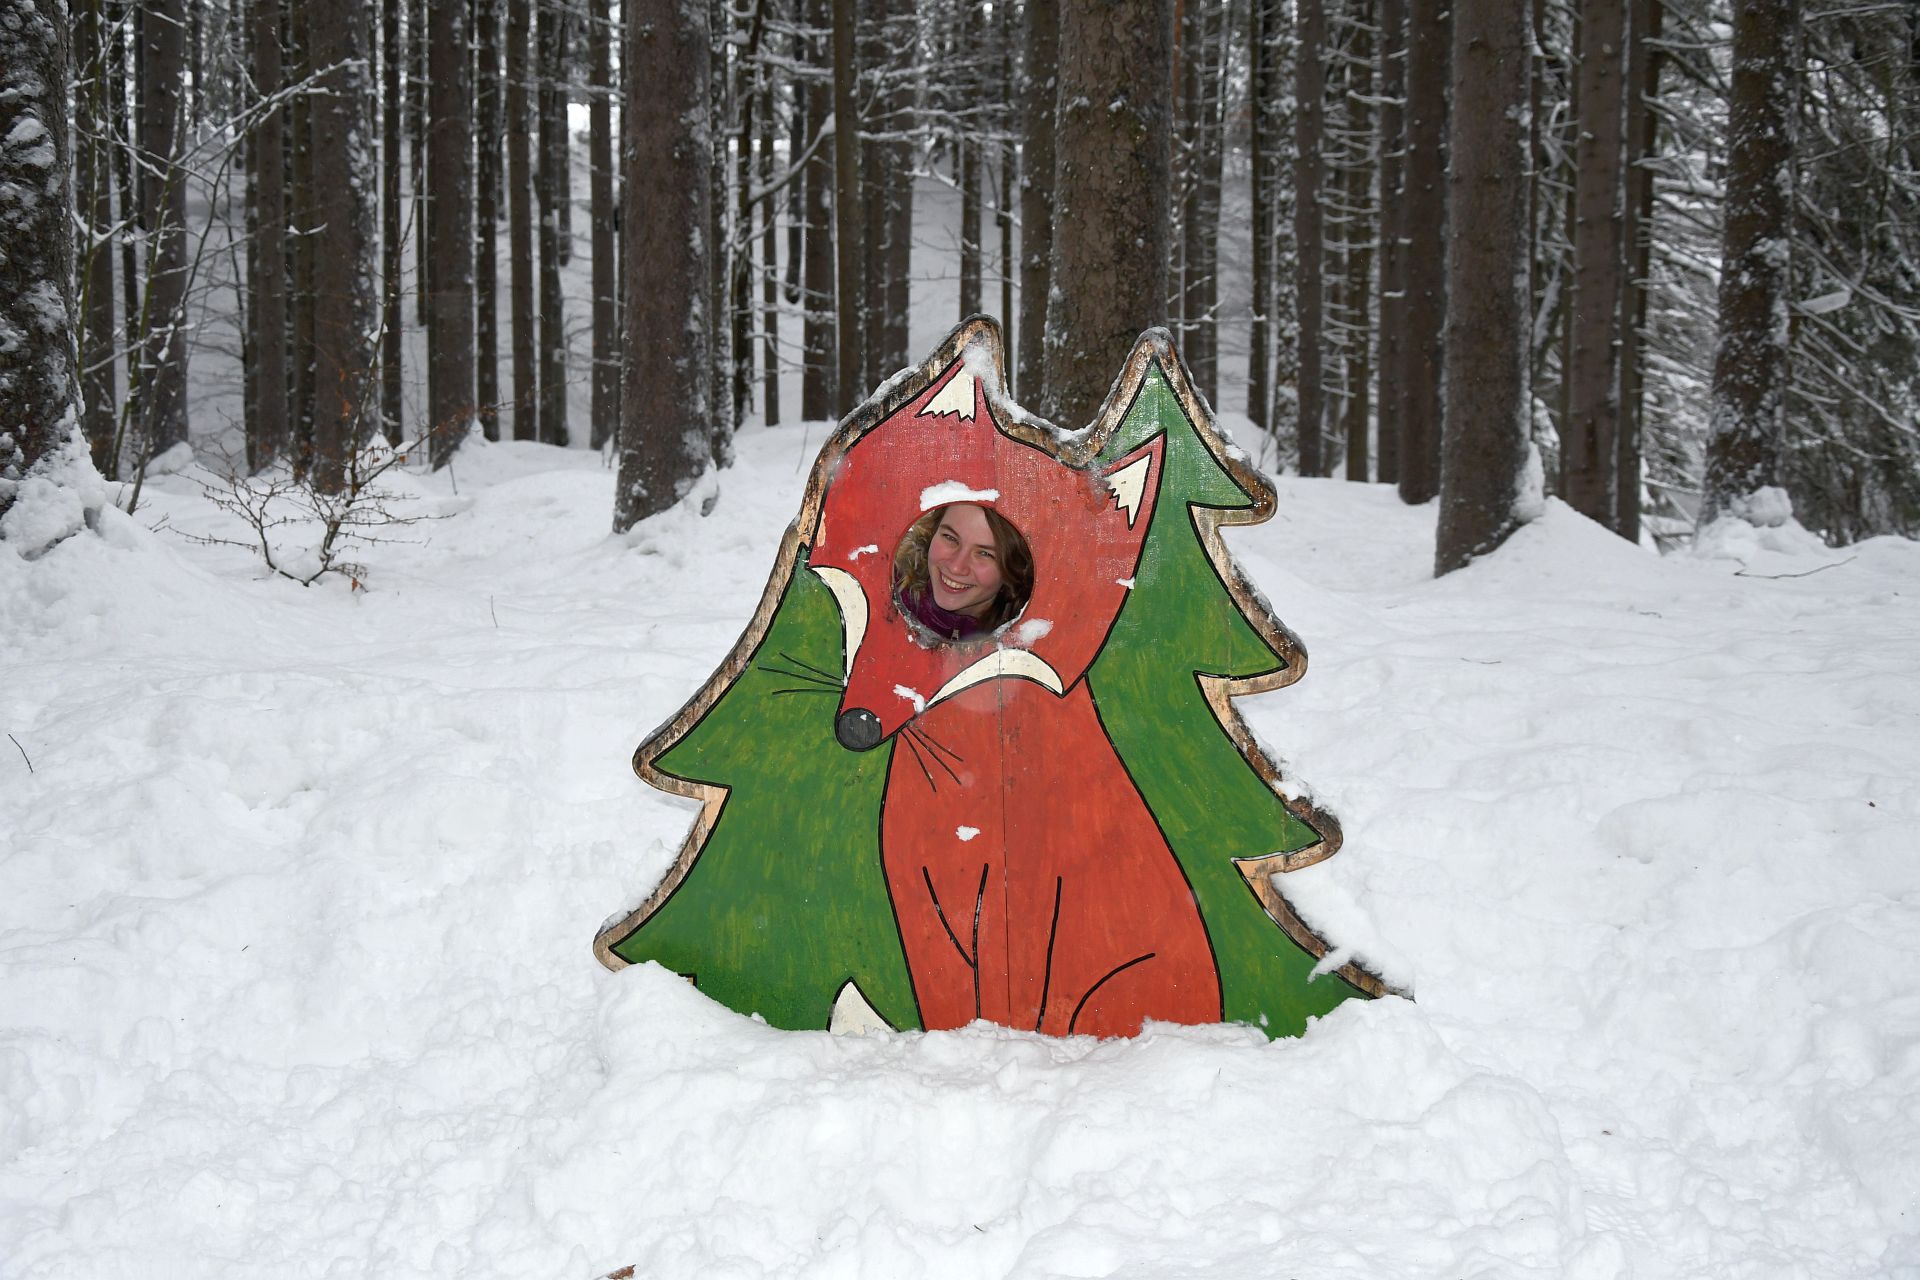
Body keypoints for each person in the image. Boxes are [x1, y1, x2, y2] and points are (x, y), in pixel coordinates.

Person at [892, 502, 1034, 641]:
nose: (956, 567)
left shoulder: (1029, 636)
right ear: (933, 532)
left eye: (984, 553)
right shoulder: (888, 590)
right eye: (950, 538)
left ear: (1014, 567)